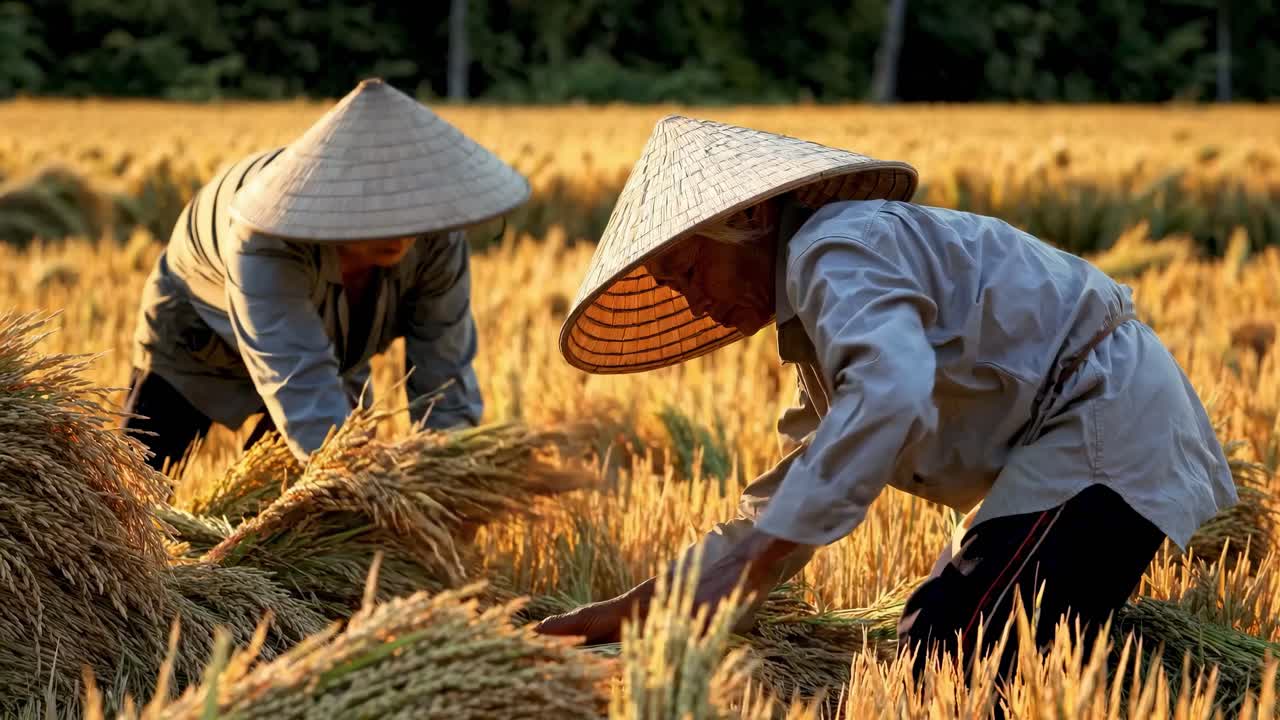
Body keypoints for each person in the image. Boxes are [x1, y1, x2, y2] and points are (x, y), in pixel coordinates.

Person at [534, 115, 1238, 683]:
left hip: (1098, 422)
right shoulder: (818, 316)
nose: (694, 299)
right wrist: (657, 601)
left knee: (950, 655)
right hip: (1066, 444)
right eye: (675, 287)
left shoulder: (834, 252)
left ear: (749, 217)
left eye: (690, 269)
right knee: (952, 643)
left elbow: (892, 392)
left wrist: (758, 561)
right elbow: (799, 478)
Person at [125, 78, 530, 470]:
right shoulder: (265, 240)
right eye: (379, 213)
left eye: (409, 210)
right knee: (136, 492)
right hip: (197, 337)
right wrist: (368, 488)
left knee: (295, 509)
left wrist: (447, 476)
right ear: (339, 201)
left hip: (336, 355)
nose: (401, 231)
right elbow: (305, 397)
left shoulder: (437, 241)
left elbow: (445, 379)